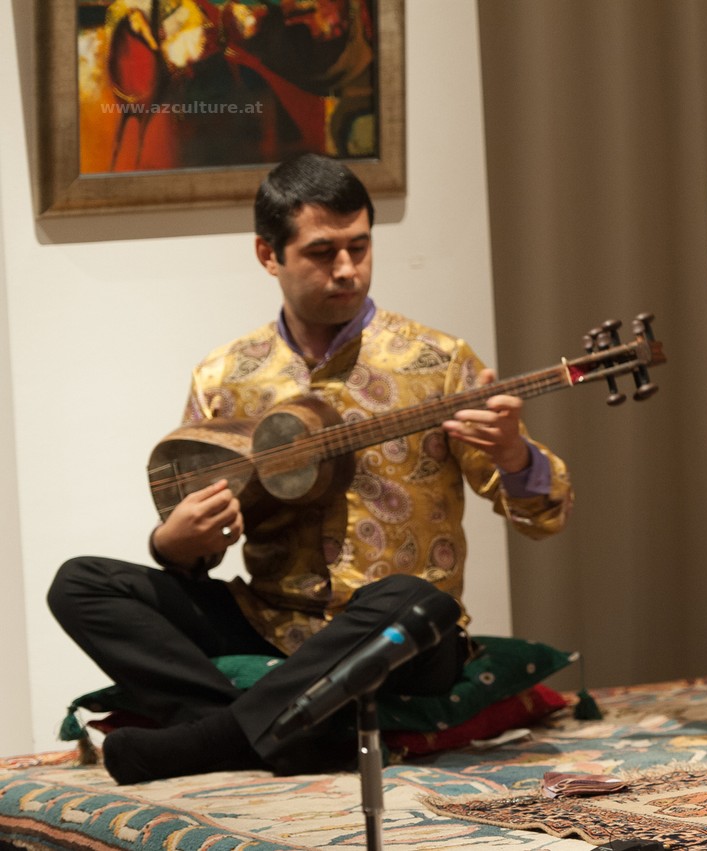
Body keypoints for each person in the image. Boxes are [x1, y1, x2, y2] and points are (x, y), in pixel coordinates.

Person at [47, 153, 572, 785]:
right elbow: (203, 540)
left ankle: (209, 737)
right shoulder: (224, 376)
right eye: (323, 252)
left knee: (416, 599)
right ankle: (266, 734)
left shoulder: (437, 361)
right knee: (80, 583)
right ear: (268, 255)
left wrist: (513, 455)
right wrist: (174, 547)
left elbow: (543, 519)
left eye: (360, 247)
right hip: (271, 619)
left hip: (397, 635)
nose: (347, 269)